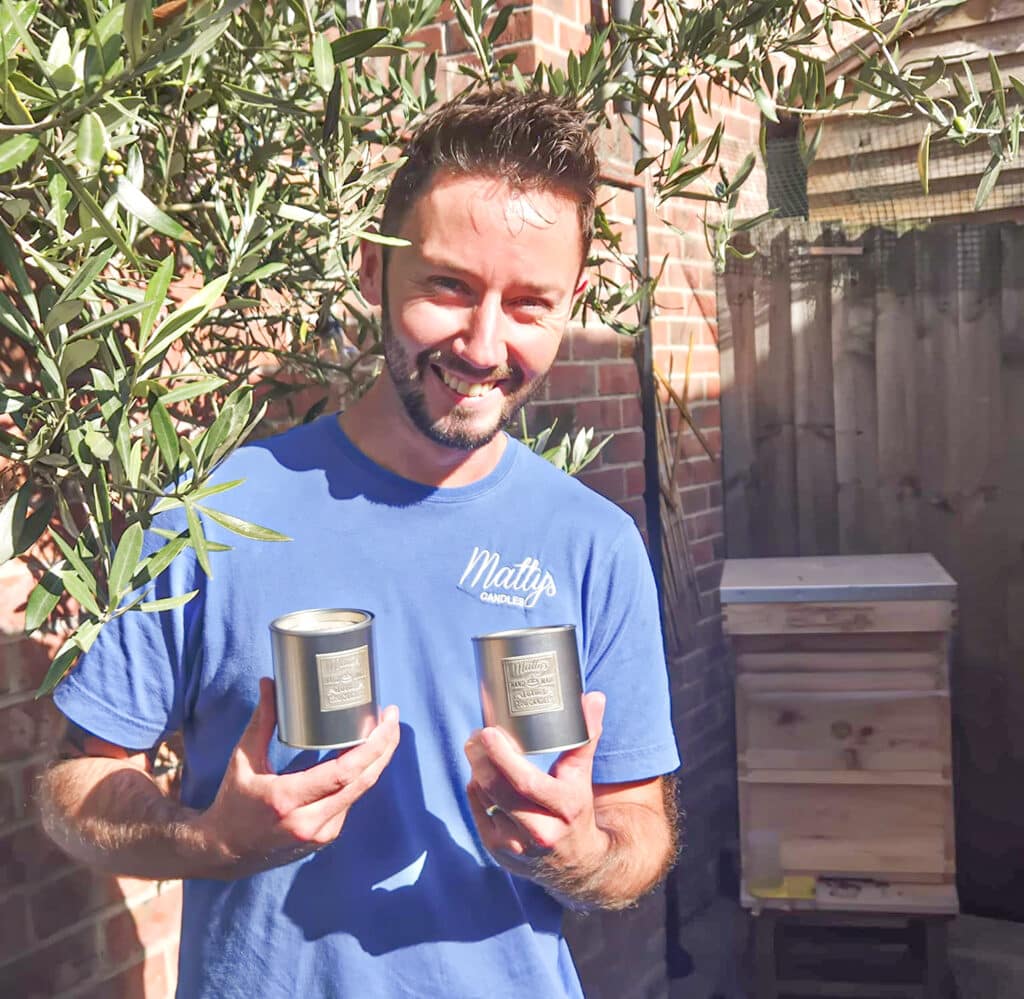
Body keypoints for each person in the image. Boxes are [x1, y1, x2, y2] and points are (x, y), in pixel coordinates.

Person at [39, 88, 681, 998]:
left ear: (570, 304)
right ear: (374, 273)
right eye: (450, 285)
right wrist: (208, 838)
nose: (484, 344)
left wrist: (578, 850)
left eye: (530, 304)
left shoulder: (594, 543)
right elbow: (75, 785)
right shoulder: (212, 513)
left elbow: (639, 828)